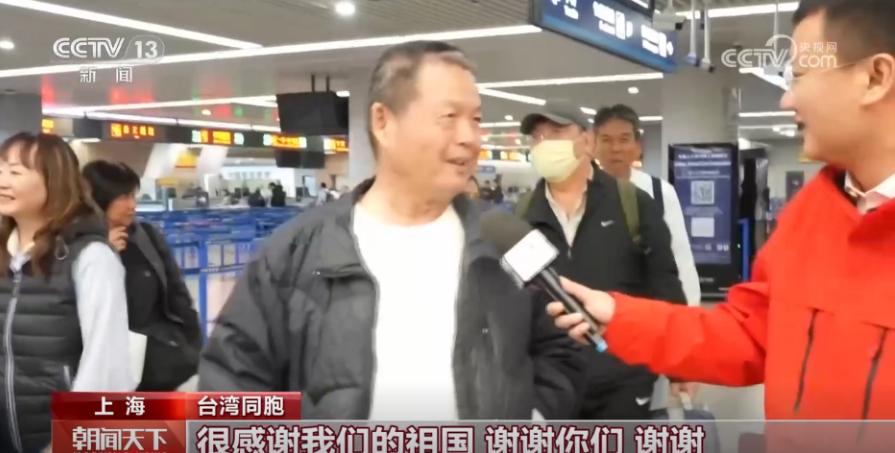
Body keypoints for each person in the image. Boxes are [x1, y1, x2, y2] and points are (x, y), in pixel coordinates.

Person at [546, 0, 895, 434]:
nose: (786, 98)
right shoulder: (810, 213)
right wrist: (619, 316)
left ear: (875, 78)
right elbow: (749, 334)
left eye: (799, 76)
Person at [199, 40, 583, 420]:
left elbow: (562, 350)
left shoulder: (507, 241)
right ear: (383, 122)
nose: (469, 137)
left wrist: (535, 418)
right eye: (449, 116)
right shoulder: (294, 254)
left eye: (477, 119)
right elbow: (231, 385)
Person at [517, 99, 687, 420]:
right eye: (537, 137)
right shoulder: (523, 215)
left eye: (557, 132)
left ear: (587, 140)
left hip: (623, 378)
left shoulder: (633, 204)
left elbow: (665, 285)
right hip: (552, 385)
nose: (545, 143)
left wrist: (681, 363)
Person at [0, 133, 134, 452]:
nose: (2, 181)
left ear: (54, 180)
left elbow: (106, 365)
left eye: (15, 172)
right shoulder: (4, 254)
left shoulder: (90, 257)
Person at [82, 160, 202, 392]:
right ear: (99, 199)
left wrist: (191, 343)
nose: (132, 205)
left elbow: (177, 294)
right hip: (107, 367)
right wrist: (104, 252)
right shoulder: (79, 245)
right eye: (123, 197)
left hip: (158, 361)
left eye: (133, 196)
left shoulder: (147, 236)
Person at [593, 104, 701, 307]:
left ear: (638, 145)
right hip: (596, 306)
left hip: (647, 308)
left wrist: (689, 311)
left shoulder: (660, 192)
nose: (615, 148)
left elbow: (680, 256)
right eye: (606, 140)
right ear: (593, 145)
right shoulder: (582, 193)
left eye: (624, 139)